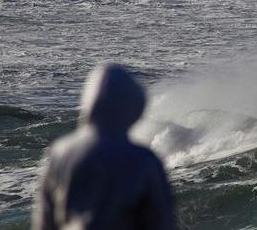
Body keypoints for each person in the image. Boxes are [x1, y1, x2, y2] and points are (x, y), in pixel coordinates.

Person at [32, 64, 175, 230]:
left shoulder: (59, 152)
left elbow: (45, 222)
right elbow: (161, 223)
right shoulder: (142, 159)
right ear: (131, 106)